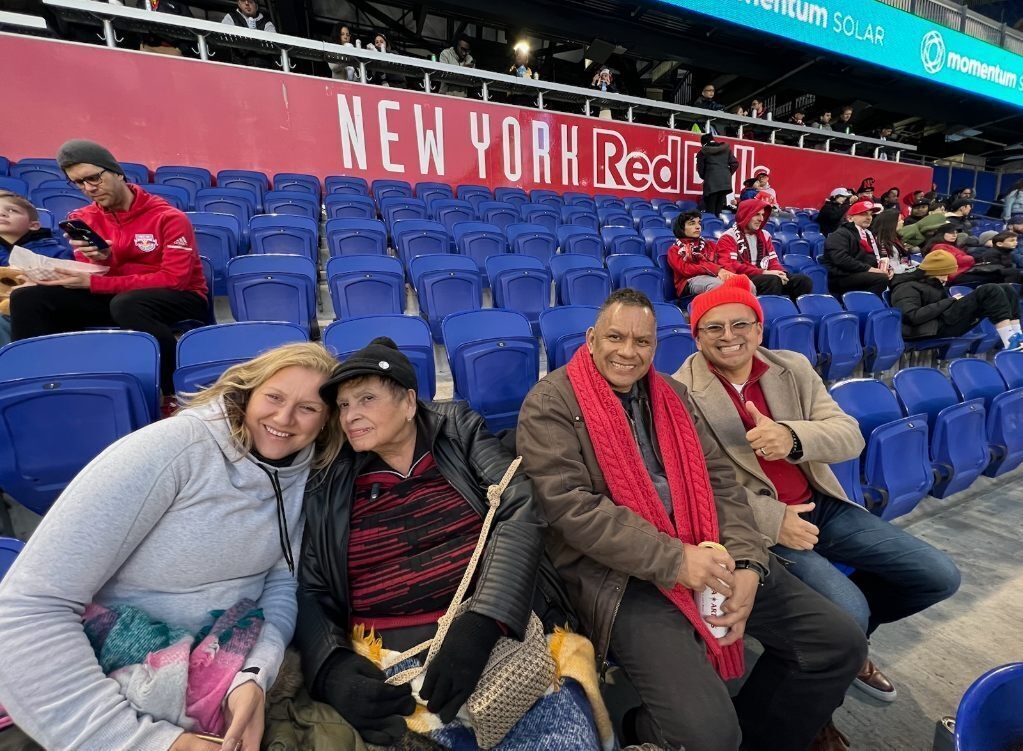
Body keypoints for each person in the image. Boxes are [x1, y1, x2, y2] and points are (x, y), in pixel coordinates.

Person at [516, 288, 867, 751]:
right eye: (616, 337)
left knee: (838, 643)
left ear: (655, 345)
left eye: (642, 341)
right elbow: (572, 509)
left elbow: (721, 483)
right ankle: (645, 730)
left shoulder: (673, 395)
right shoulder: (550, 403)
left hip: (708, 550)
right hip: (619, 579)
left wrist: (748, 562)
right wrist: (675, 560)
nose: (628, 351)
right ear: (591, 338)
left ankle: (760, 736)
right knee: (709, 736)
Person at [0, 343, 343, 751]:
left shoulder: (306, 472)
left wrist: (253, 676)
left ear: (326, 421)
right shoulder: (173, 449)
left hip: (224, 671)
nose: (284, 418)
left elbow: (281, 583)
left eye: (308, 408)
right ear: (246, 392)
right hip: (113, 684)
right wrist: (150, 743)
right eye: (274, 397)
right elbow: (30, 607)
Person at [674, 278, 961, 737]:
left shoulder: (792, 367)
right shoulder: (680, 392)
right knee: (849, 610)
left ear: (759, 328)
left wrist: (791, 438)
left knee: (938, 575)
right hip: (759, 524)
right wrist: (774, 520)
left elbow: (848, 435)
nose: (729, 336)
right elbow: (694, 486)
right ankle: (825, 691)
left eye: (740, 324)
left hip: (819, 505)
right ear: (696, 337)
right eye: (713, 328)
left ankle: (847, 649)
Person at [294, 338, 600, 750]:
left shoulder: (456, 430)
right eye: (344, 405)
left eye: (366, 399)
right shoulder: (330, 471)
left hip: (497, 640)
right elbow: (312, 586)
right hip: (389, 662)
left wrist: (483, 623)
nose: (351, 416)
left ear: (408, 402)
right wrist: (331, 667)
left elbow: (518, 504)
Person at [9, 140, 208, 414]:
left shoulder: (169, 218)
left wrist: (96, 281)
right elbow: (91, 272)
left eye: (94, 178)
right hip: (115, 296)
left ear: (117, 173)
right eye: (78, 183)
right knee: (27, 299)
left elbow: (175, 279)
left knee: (128, 304)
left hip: (180, 297)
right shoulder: (83, 218)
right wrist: (101, 260)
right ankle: (37, 388)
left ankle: (174, 392)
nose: (89, 188)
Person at [890, 249, 1023, 349]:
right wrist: (950, 301)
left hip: (942, 323)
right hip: (929, 330)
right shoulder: (906, 287)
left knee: (1006, 288)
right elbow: (912, 316)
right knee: (989, 290)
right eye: (945, 273)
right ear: (935, 271)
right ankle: (1009, 340)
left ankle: (1017, 335)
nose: (947, 277)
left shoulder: (933, 284)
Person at [0, 191, 73, 347]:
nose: (2, 214)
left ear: (34, 225)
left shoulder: (56, 252)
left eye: (12, 210)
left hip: (31, 313)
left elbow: (67, 285)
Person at [717, 198, 813, 300]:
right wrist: (763, 272)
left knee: (803, 281)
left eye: (763, 215)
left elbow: (773, 261)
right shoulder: (728, 237)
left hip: (766, 275)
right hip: (743, 278)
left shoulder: (765, 235)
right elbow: (732, 267)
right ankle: (767, 310)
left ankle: (790, 308)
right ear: (745, 214)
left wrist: (781, 273)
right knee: (772, 280)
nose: (761, 219)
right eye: (757, 214)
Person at [665, 211, 755, 298]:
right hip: (690, 281)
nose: (698, 227)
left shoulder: (709, 244)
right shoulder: (675, 250)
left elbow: (722, 260)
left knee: (748, 283)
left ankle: (747, 307)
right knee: (718, 285)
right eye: (692, 223)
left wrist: (727, 273)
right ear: (681, 228)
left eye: (699, 223)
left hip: (714, 275)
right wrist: (715, 270)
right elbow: (686, 270)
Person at [85, 0, 190, 54]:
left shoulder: (178, 3)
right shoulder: (143, 1)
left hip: (171, 50)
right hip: (146, 48)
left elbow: (190, 30)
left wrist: (180, 49)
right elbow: (136, 26)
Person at [822, 200, 891, 297]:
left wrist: (887, 268)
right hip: (842, 277)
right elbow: (841, 259)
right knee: (880, 278)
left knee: (896, 277)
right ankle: (865, 304)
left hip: (862, 273)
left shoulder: (869, 234)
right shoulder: (840, 234)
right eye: (863, 214)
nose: (869, 217)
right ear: (850, 218)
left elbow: (877, 256)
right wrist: (869, 269)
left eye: (870, 214)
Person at [696, 133, 738, 216]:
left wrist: (706, 176)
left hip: (711, 184)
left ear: (703, 143)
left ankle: (711, 223)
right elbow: (735, 164)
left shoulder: (702, 152)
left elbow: (701, 169)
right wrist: (727, 174)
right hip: (724, 184)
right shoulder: (726, 150)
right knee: (719, 210)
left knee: (710, 210)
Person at [871, 208, 916, 275]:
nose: (903, 222)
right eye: (899, 220)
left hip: (902, 269)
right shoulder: (882, 242)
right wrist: (909, 267)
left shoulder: (895, 238)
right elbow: (890, 268)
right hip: (895, 275)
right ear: (891, 224)